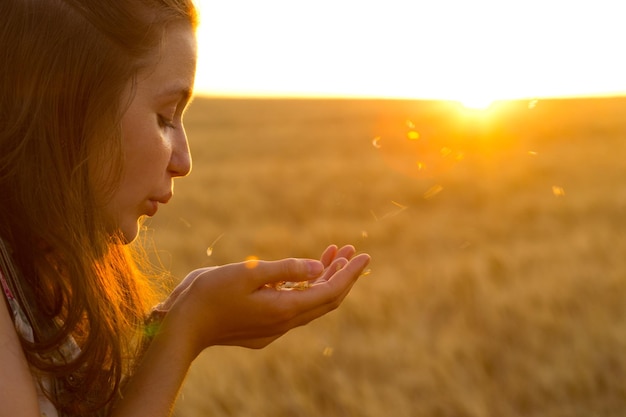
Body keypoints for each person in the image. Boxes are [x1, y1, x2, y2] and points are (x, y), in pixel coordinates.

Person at [0, 0, 371, 416]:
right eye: (165, 117)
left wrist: (173, 325)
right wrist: (186, 328)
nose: (183, 161)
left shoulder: (39, 269)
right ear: (67, 108)